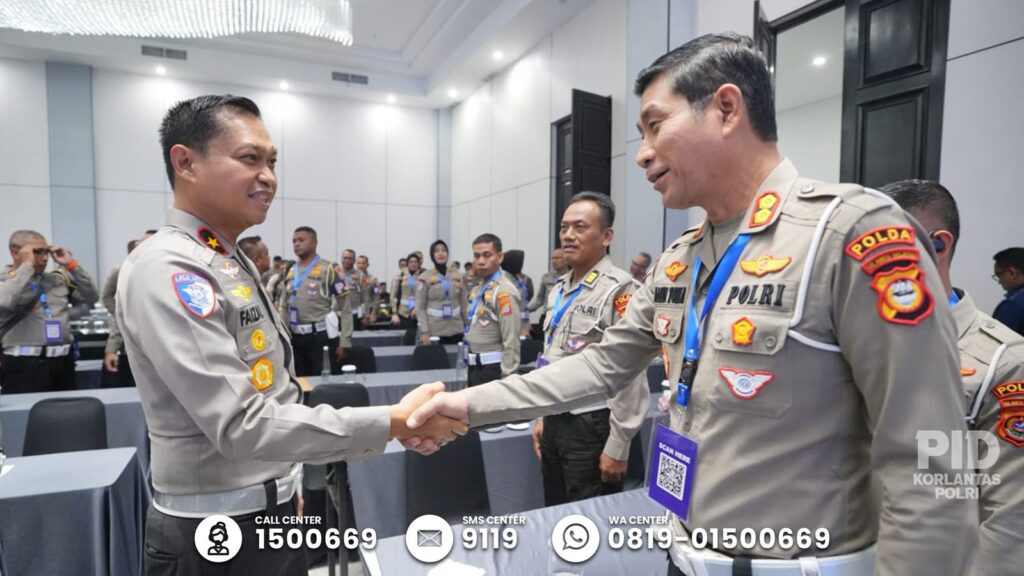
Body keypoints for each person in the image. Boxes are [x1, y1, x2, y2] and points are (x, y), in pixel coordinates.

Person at [406, 33, 975, 576]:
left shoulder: (850, 233)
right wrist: (468, 404)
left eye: (655, 126)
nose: (641, 155)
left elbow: (931, 459)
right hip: (683, 556)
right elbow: (600, 365)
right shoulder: (680, 259)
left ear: (726, 109)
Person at [118, 94, 465, 576]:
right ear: (186, 163)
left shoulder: (227, 259)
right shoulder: (170, 267)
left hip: (268, 510)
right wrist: (395, 421)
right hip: (215, 534)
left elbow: (272, 388)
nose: (268, 177)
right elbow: (241, 425)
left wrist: (286, 483)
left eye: (273, 162)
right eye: (250, 158)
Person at [882, 179, 1024, 576]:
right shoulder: (851, 340)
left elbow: (1010, 518)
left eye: (879, 248)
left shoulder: (1003, 362)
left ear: (938, 246)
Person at [532, 192, 649, 505]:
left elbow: (631, 371)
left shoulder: (621, 290)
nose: (568, 235)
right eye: (564, 227)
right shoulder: (558, 290)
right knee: (553, 511)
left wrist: (619, 444)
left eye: (580, 227)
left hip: (591, 423)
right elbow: (549, 357)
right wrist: (541, 416)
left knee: (588, 520)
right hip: (554, 417)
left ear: (606, 236)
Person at [0, 230, 98, 393]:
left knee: (67, 408)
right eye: (37, 252)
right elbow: (4, 301)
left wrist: (72, 265)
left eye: (46, 252)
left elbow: (91, 297)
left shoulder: (56, 280)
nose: (45, 258)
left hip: (63, 361)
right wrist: (26, 266)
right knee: (26, 408)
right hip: (24, 365)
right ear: (15, 253)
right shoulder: (6, 282)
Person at [277, 227, 351, 376]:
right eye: (294, 241)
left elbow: (345, 308)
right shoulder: (291, 270)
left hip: (319, 337)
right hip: (295, 338)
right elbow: (284, 306)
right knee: (300, 381)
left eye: (301, 240)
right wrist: (282, 337)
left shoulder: (329, 269)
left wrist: (345, 341)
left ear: (314, 242)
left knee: (323, 381)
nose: (296, 244)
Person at [463, 234, 521, 386]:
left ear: (500, 257)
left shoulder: (504, 291)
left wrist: (508, 379)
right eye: (477, 256)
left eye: (487, 255)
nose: (481, 261)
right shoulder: (478, 288)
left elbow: (511, 340)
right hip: (474, 366)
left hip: (493, 371)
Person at [102, 230, 156, 388]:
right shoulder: (125, 272)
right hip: (136, 349)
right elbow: (120, 311)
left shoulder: (173, 273)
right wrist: (112, 348)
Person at [416, 240, 466, 345]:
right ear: (432, 255)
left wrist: (468, 325)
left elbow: (463, 302)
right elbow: (420, 307)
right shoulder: (424, 277)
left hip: (457, 327)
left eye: (444, 250)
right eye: (437, 251)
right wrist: (425, 331)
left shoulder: (457, 275)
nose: (441, 253)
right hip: (435, 329)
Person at [500, 250, 534, 337]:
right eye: (519, 262)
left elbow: (528, 296)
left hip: (523, 323)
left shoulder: (522, 279)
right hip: (510, 324)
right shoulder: (503, 281)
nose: (521, 265)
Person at [992, 247, 1024, 336]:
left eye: (998, 275)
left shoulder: (1014, 305)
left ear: (1012, 273)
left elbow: (995, 339)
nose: (999, 282)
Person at [528, 248, 567, 317]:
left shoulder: (573, 277)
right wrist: (526, 310)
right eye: (552, 258)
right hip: (547, 315)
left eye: (557, 258)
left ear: (566, 260)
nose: (554, 261)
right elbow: (540, 299)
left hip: (564, 316)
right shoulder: (547, 277)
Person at [390, 252, 421, 332]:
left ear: (419, 263)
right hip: (403, 312)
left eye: (415, 262)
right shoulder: (400, 276)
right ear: (407, 263)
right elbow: (393, 296)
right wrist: (394, 313)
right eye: (411, 262)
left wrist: (417, 307)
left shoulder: (423, 276)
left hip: (418, 313)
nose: (413, 264)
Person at [355, 255, 380, 325]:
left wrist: (373, 313)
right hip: (353, 312)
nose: (361, 265)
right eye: (359, 263)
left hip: (367, 313)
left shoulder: (373, 279)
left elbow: (376, 298)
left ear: (367, 264)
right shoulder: (351, 278)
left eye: (363, 263)